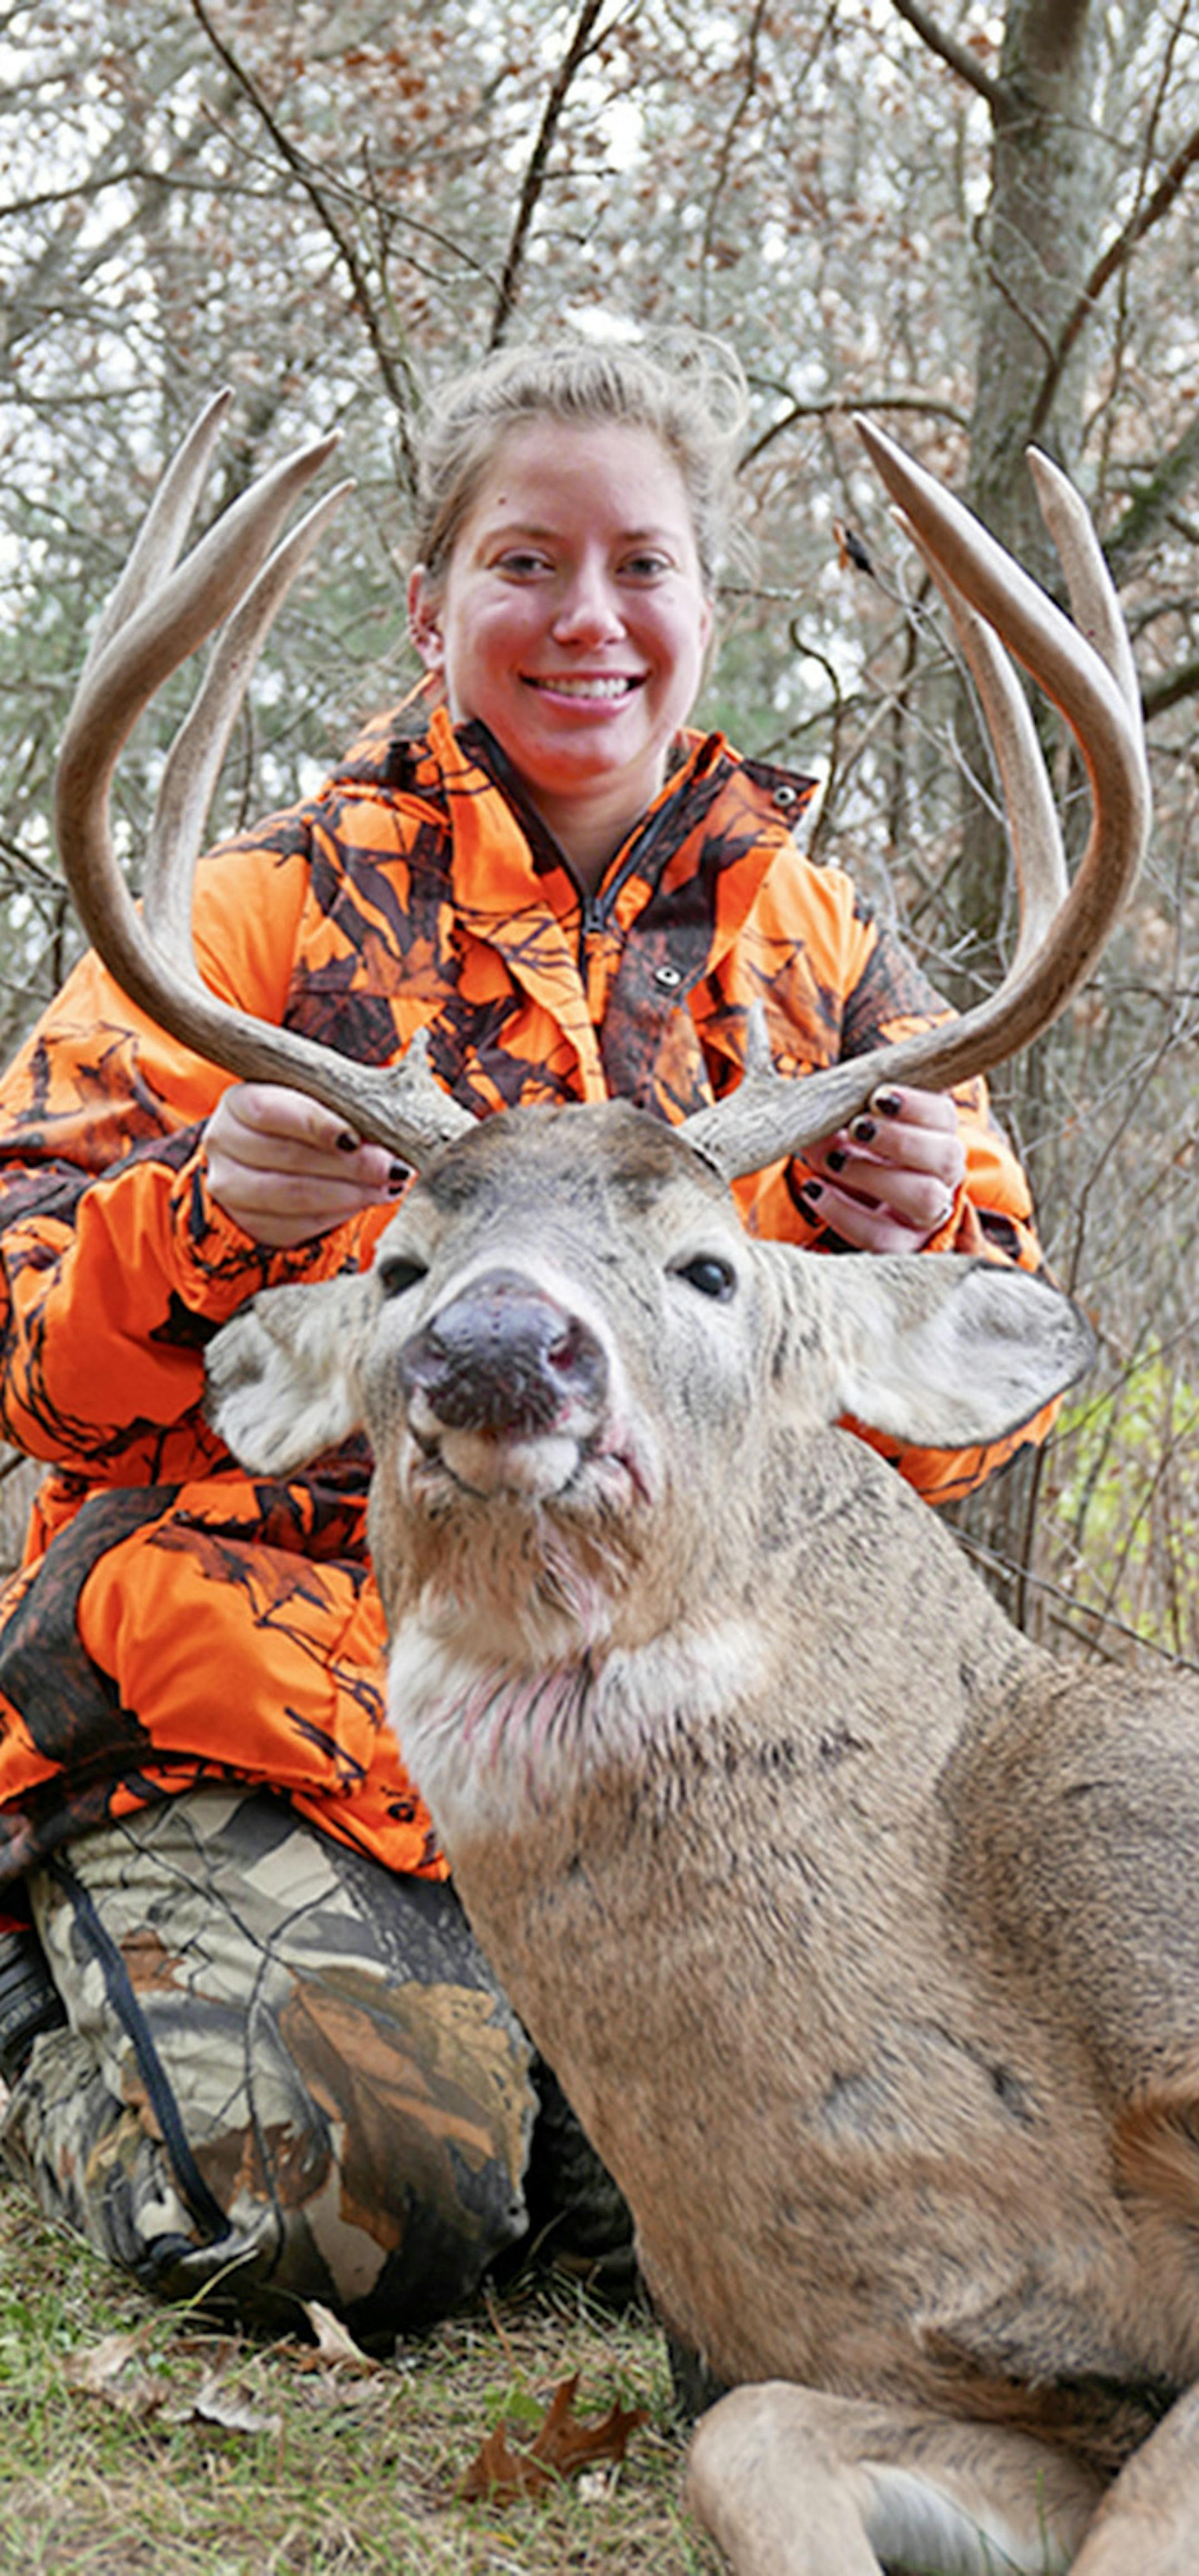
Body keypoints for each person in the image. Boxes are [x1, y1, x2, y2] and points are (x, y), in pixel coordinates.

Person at [0, 337, 1049, 2348]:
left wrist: (916, 1231)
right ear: (430, 605)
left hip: (665, 1758)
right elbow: (24, 1351)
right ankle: (46, 2010)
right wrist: (201, 1214)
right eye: (525, 561)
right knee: (356, 2205)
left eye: (642, 565)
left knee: (678, 2196)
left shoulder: (820, 956)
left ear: (707, 606)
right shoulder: (243, 927)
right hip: (273, 1708)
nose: (589, 618)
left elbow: (942, 1424)